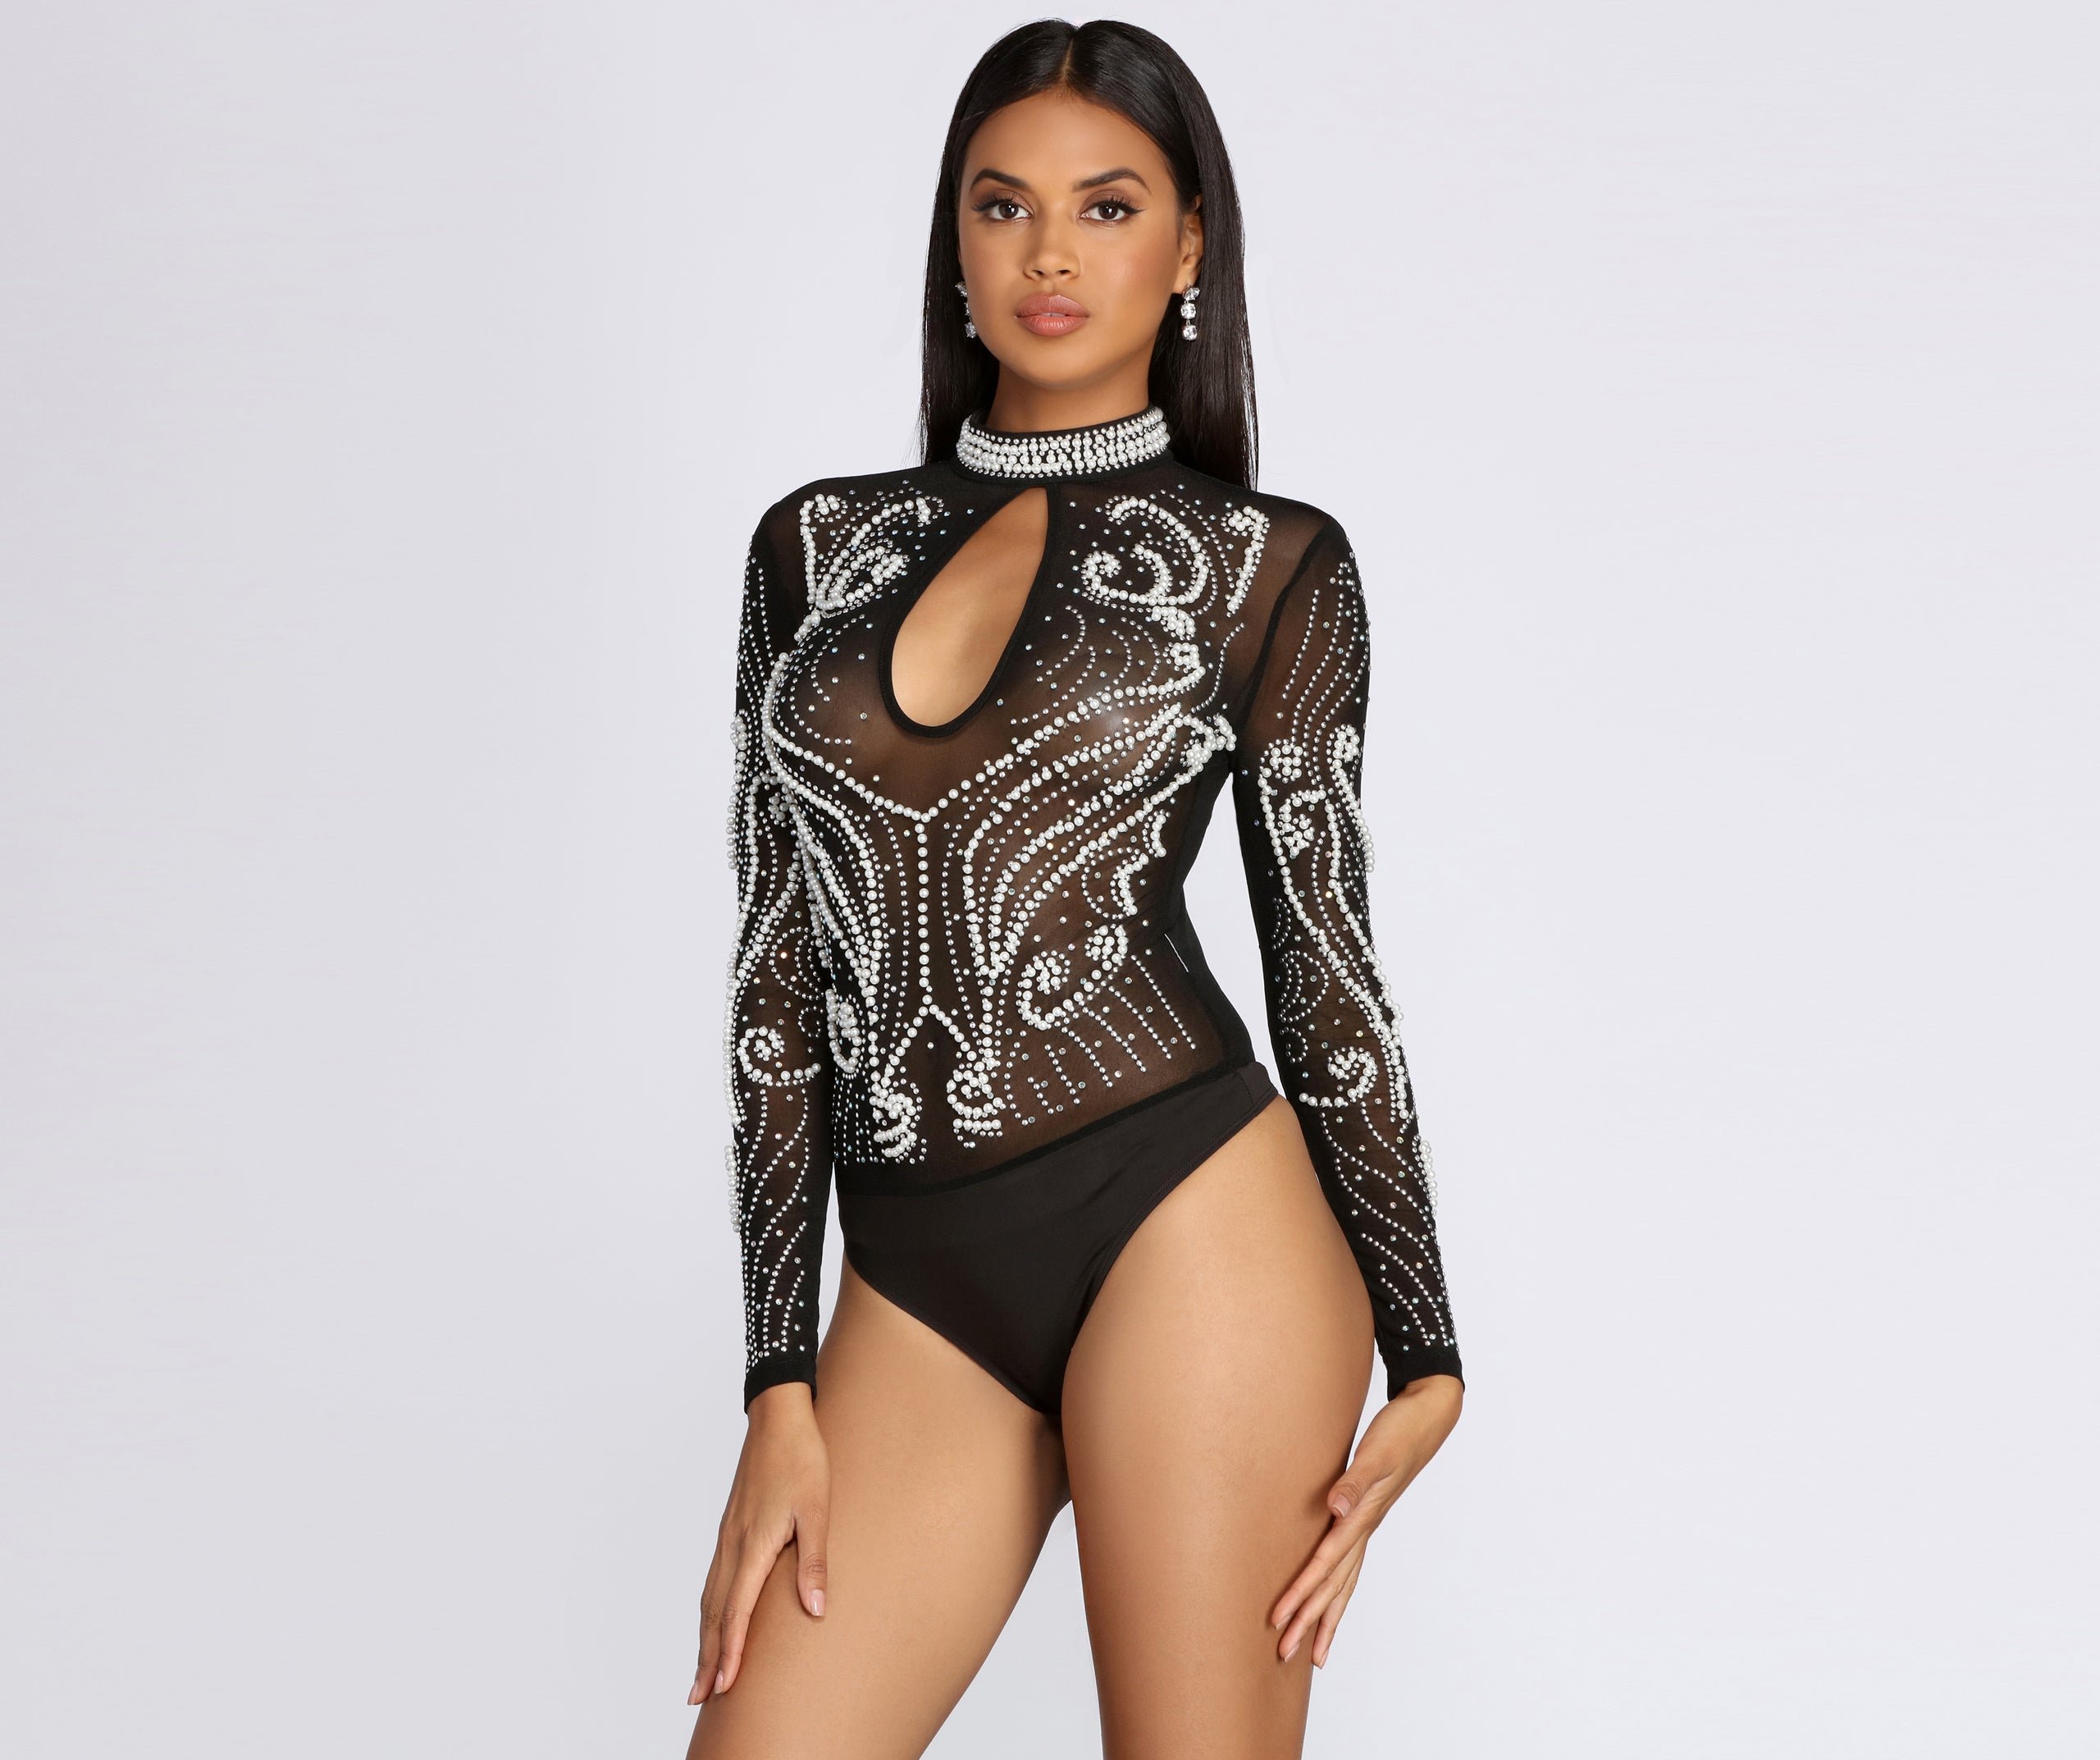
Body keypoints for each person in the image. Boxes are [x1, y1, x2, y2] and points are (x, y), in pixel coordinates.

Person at [688, 19, 1465, 1755]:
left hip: (1191, 1215)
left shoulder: (1269, 565)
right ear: (954, 242)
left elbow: (1322, 963)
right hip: (914, 1278)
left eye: (1106, 207)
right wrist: (776, 1378)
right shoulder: (810, 548)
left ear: (1187, 248)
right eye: (1003, 205)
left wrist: (1428, 1350)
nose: (1049, 253)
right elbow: (771, 969)